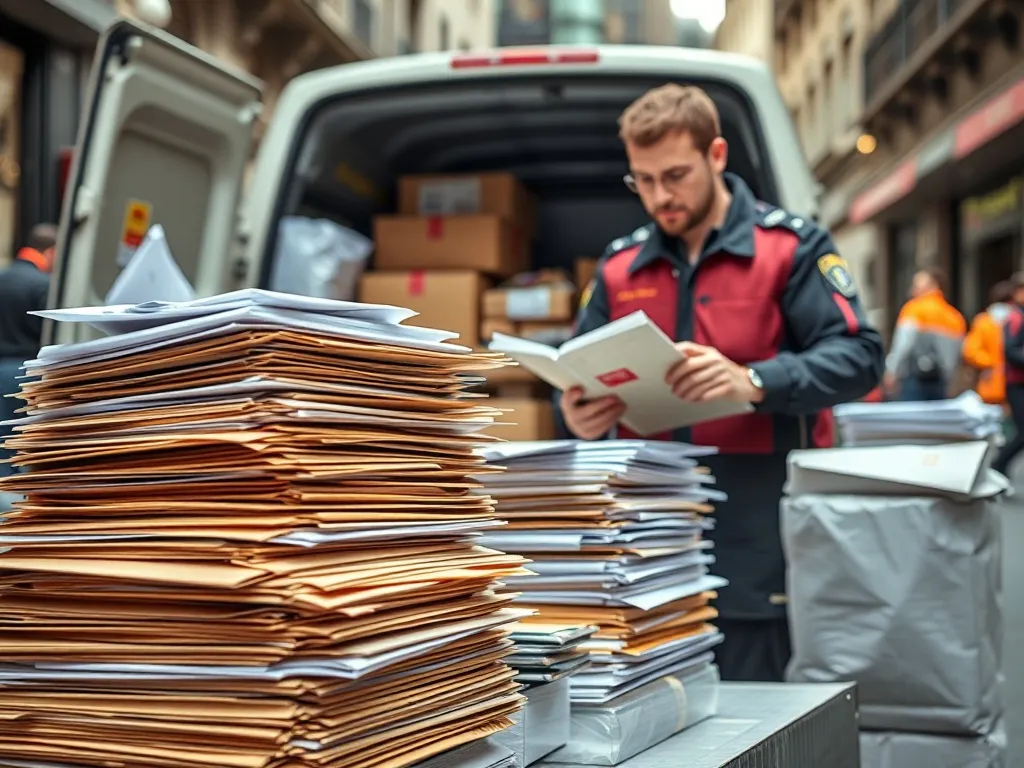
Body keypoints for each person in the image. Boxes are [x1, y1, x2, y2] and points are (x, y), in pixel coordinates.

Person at [556, 84, 884, 682]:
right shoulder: (617, 265)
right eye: (644, 180)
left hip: (760, 538)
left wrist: (755, 379)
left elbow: (861, 356)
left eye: (675, 175)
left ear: (717, 155)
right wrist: (574, 414)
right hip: (644, 544)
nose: (660, 196)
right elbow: (577, 378)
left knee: (753, 722)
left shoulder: (790, 247)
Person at [0, 223, 56, 476]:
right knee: (22, 438)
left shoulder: (3, 277)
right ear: (51, 252)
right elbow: (48, 333)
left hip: (1, 368)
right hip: (25, 371)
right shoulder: (42, 284)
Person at [883, 267, 966, 401]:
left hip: (913, 379)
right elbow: (959, 353)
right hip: (943, 381)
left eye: (916, 284)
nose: (912, 289)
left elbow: (903, 345)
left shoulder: (914, 309)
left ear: (933, 285)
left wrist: (891, 372)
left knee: (913, 420)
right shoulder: (954, 316)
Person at [961, 281, 1013, 407]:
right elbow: (971, 350)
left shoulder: (983, 321)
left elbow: (971, 351)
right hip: (1002, 383)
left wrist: (989, 364)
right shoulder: (985, 322)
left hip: (991, 382)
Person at [993, 273, 1024, 476]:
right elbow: (1010, 350)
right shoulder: (1015, 317)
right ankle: (998, 465)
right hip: (1016, 383)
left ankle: (999, 466)